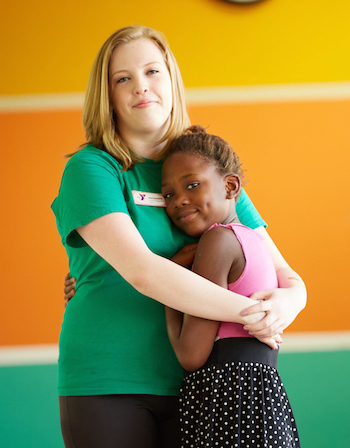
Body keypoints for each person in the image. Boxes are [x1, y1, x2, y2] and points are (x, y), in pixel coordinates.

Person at [52, 25, 306, 448]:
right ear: (108, 94)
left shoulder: (203, 168)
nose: (141, 87)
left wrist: (290, 302)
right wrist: (253, 314)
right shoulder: (92, 168)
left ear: (171, 80)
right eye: (123, 78)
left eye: (153, 71)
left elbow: (281, 271)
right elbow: (143, 272)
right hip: (109, 378)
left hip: (200, 386)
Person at [161, 125, 300, 448]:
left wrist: (168, 284)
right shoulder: (253, 242)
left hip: (227, 403)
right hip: (262, 403)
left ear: (230, 186)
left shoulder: (217, 241)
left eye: (192, 185)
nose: (179, 201)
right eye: (168, 195)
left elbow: (190, 355)